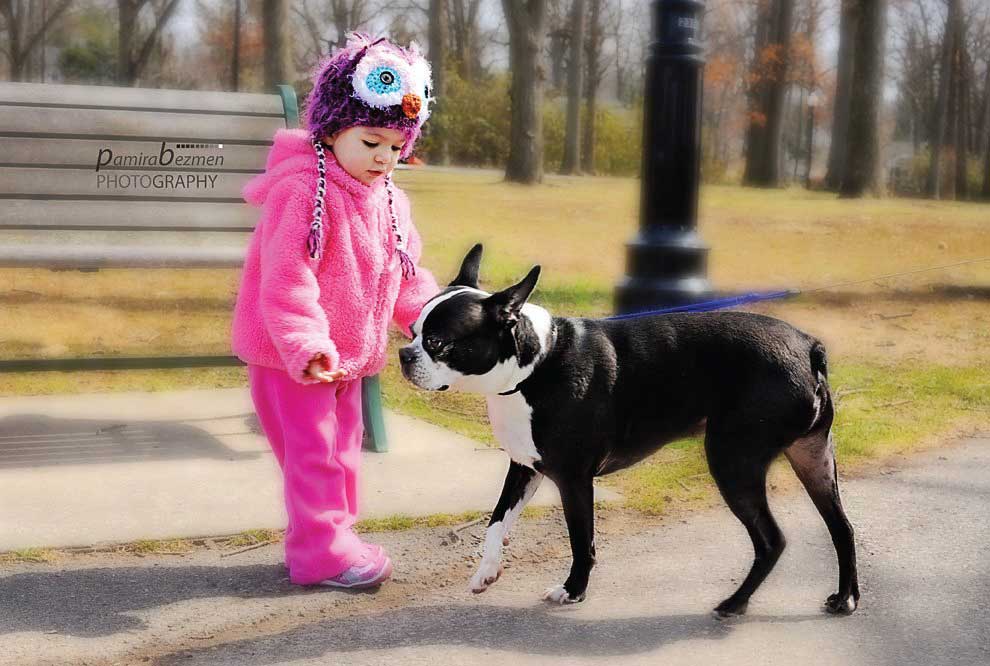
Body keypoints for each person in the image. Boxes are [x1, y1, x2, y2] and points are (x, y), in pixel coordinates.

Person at [231, 34, 440, 588]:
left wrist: (431, 317)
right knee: (315, 456)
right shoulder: (302, 192)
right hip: (292, 357)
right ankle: (321, 553)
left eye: (397, 147)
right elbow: (285, 279)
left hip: (350, 356)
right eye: (371, 141)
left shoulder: (391, 199)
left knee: (342, 453)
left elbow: (406, 272)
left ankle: (332, 538)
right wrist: (307, 344)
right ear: (331, 128)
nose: (384, 158)